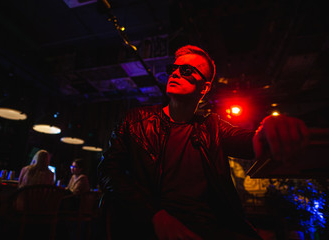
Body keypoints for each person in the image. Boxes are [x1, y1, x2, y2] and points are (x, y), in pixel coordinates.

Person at [98, 45, 309, 240]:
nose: (176, 73)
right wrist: (155, 216)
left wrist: (270, 127)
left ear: (205, 88)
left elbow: (250, 141)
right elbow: (108, 171)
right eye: (174, 68)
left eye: (187, 70)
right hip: (147, 226)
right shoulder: (135, 120)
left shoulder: (212, 126)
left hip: (207, 229)